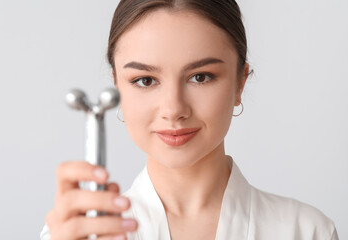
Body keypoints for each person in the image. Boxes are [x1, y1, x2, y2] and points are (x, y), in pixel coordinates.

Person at [41, 0, 339, 239]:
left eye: (201, 77)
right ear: (117, 86)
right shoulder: (78, 233)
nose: (174, 109)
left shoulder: (306, 231)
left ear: (240, 83)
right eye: (145, 80)